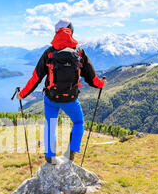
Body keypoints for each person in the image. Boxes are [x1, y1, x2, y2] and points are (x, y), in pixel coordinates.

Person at [17, 19, 106, 164]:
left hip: (51, 98)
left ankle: (50, 155)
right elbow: (91, 77)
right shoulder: (79, 52)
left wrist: (22, 94)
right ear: (71, 30)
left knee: (51, 124)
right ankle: (71, 152)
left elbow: (36, 78)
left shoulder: (50, 52)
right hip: (71, 98)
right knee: (78, 122)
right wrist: (101, 84)